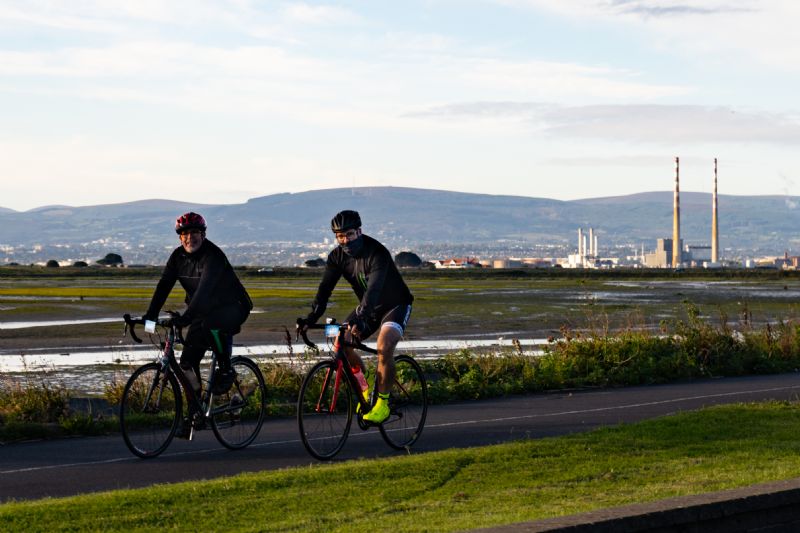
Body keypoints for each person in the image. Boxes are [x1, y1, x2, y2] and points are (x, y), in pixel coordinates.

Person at [298, 210, 413, 424]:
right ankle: (366, 381)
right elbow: (325, 290)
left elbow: (374, 290)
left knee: (384, 345)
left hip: (395, 305)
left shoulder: (377, 253)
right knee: (339, 341)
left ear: (359, 231)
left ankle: (382, 404)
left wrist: (360, 319)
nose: (345, 240)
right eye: (340, 236)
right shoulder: (336, 257)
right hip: (368, 308)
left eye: (349, 234)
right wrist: (311, 318)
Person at [144, 212, 252, 400]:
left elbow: (204, 291)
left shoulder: (213, 255)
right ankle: (195, 410)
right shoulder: (177, 257)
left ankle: (226, 370)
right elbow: (164, 285)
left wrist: (185, 318)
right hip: (202, 310)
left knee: (211, 325)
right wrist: (150, 317)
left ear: (203, 235)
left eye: (194, 232)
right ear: (180, 237)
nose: (189, 237)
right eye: (184, 234)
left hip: (233, 306)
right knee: (187, 363)